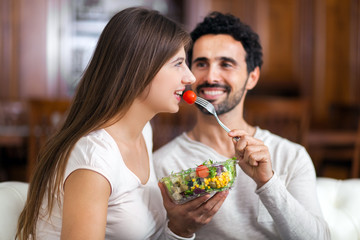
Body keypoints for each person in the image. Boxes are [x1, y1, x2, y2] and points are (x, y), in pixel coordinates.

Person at [16, 7, 227, 240]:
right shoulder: (94, 159)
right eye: (178, 63)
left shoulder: (142, 131)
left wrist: (180, 229)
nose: (190, 78)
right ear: (139, 68)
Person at [154, 11, 330, 239]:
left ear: (252, 77)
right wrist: (179, 231)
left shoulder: (291, 156)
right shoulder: (162, 165)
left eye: (226, 64)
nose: (211, 76)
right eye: (201, 64)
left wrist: (268, 183)